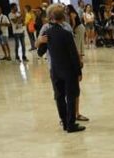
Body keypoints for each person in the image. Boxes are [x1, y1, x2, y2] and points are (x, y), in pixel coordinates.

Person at [37, 5, 85, 133]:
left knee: (59, 96)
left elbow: (39, 52)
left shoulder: (47, 33)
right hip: (68, 70)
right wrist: (79, 72)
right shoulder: (66, 33)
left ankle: (64, 122)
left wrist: (41, 42)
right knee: (70, 96)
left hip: (55, 70)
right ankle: (70, 124)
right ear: (63, 17)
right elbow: (73, 55)